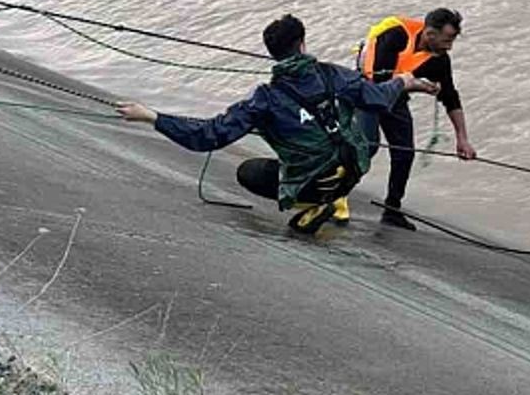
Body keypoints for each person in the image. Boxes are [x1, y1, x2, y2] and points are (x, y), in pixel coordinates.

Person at [116, 14, 437, 235]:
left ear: (273, 54)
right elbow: (378, 97)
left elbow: (208, 136)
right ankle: (332, 196)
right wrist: (405, 82)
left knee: (248, 172)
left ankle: (314, 201)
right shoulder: (332, 73)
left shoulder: (265, 100)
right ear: (302, 44)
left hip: (314, 181)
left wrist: (152, 117)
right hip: (353, 169)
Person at [347, 8, 476, 230]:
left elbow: (451, 97)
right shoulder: (396, 35)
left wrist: (462, 138)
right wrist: (419, 87)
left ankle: (392, 210)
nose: (450, 46)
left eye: (453, 40)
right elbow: (379, 80)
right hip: (366, 90)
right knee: (367, 146)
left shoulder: (439, 61)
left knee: (404, 152)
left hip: (395, 96)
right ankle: (333, 193)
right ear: (430, 33)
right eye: (447, 40)